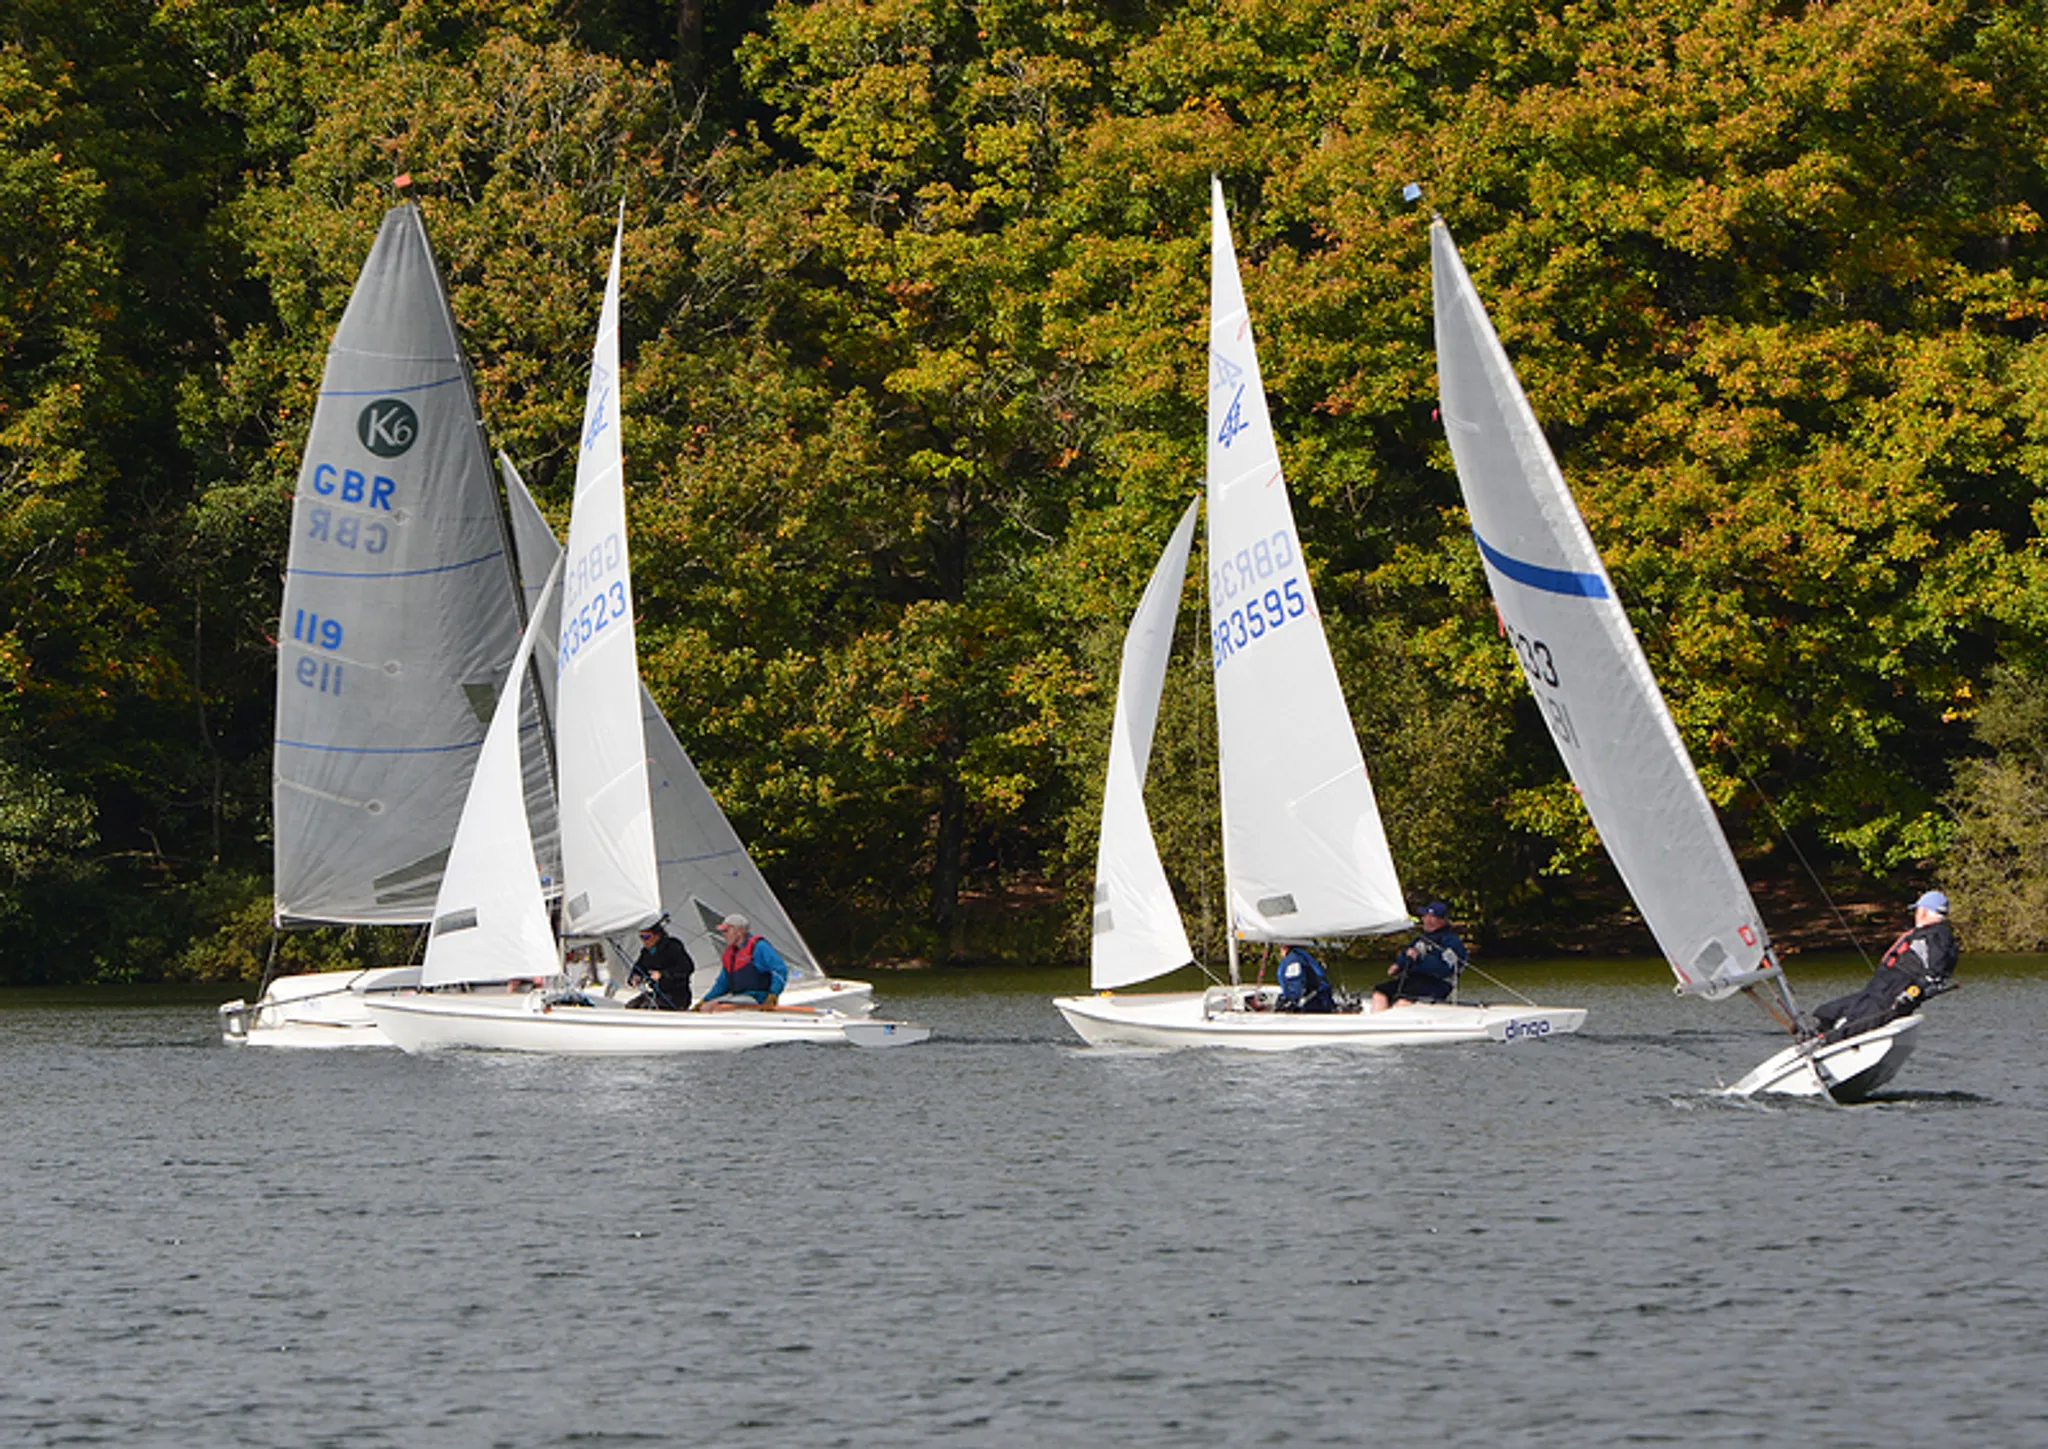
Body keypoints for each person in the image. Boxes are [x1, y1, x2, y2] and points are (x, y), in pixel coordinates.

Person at [1807, 890, 1959, 1043]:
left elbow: (1934, 975)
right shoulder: (1927, 934)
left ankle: (1823, 1043)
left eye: (1917, 911)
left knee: (1855, 1026)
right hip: (1879, 990)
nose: (1915, 915)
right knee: (1827, 1012)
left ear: (1924, 912)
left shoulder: (1937, 937)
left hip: (1892, 995)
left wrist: (1910, 994)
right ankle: (1815, 1030)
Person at [1373, 900, 1467, 1011]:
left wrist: (1420, 959)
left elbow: (1445, 968)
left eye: (1426, 916)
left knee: (1403, 1002)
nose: (1422, 919)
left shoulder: (1451, 942)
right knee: (1380, 992)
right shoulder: (1421, 938)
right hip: (1414, 980)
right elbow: (1407, 952)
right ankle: (1377, 1021)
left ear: (1435, 919)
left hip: (1436, 984)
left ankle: (1397, 1022)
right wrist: (1398, 964)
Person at [695, 913, 791, 1011]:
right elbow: (722, 983)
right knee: (705, 1008)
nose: (724, 934)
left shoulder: (759, 947)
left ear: (739, 931)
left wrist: (773, 995)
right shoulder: (731, 954)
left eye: (726, 930)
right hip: (739, 997)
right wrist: (705, 999)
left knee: (715, 1008)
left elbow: (780, 970)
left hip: (757, 999)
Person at [626, 920, 694, 1011]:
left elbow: (687, 968)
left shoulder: (672, 947)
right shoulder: (646, 952)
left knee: (646, 1008)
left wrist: (662, 974)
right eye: (641, 937)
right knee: (631, 1006)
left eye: (646, 937)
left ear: (657, 935)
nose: (643, 941)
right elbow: (639, 967)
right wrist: (635, 977)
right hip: (657, 993)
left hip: (676, 996)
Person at [1274, 943, 1335, 1013]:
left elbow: (1295, 985)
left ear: (1284, 948)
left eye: (1280, 949)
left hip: (1313, 1002)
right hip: (1321, 997)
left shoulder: (1293, 960)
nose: (1280, 953)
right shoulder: (1302, 955)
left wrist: (1289, 1000)